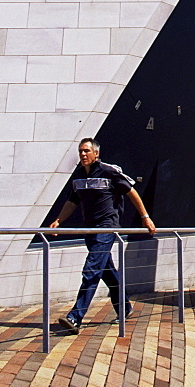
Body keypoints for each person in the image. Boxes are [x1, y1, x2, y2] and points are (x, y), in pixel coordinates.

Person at [51, 137, 156, 333]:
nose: (83, 154)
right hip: (89, 229)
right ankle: (124, 308)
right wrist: (59, 220)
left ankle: (75, 317)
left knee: (91, 270)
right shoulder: (78, 176)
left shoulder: (109, 172)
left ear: (96, 153)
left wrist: (145, 217)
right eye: (80, 151)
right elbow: (72, 201)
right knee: (106, 271)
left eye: (86, 151)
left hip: (106, 228)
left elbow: (131, 192)